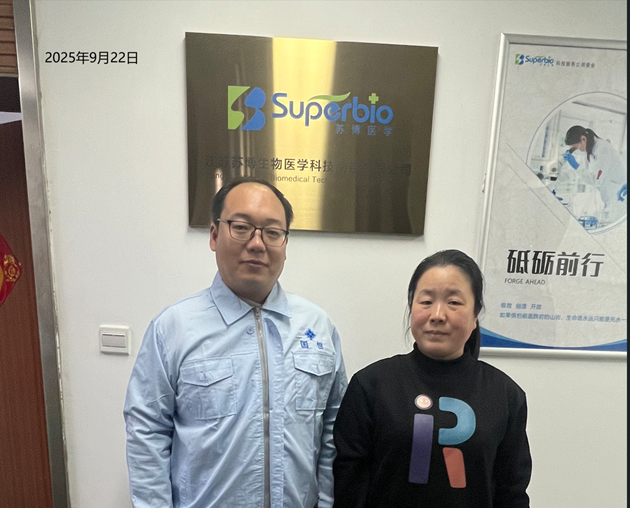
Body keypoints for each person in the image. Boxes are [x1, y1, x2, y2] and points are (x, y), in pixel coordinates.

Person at [124, 177, 347, 508]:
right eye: (241, 227)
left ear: (285, 244)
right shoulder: (173, 329)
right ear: (215, 235)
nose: (257, 243)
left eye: (272, 232)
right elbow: (146, 432)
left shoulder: (316, 326)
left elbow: (334, 430)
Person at [332, 249, 532, 508]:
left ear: (476, 314)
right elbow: (349, 487)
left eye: (454, 302)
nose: (437, 314)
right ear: (411, 307)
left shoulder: (505, 395)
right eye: (426, 301)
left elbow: (512, 492)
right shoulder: (370, 385)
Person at [562, 125, 627, 224]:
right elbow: (581, 172)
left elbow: (596, 180)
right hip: (607, 200)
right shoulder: (589, 150)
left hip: (617, 201)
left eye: (575, 148)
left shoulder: (603, 149)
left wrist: (575, 165)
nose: (576, 151)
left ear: (583, 139)